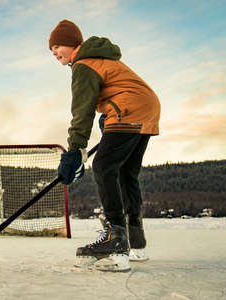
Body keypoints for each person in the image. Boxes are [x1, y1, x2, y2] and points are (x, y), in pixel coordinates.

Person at [49, 20, 160, 272]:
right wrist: (108, 115)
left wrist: (75, 149)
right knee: (125, 172)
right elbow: (116, 88)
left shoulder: (84, 63)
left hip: (129, 108)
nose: (55, 52)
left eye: (58, 46)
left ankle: (115, 240)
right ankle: (136, 243)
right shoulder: (102, 58)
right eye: (51, 49)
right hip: (147, 108)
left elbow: (82, 110)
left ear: (73, 44)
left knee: (102, 166)